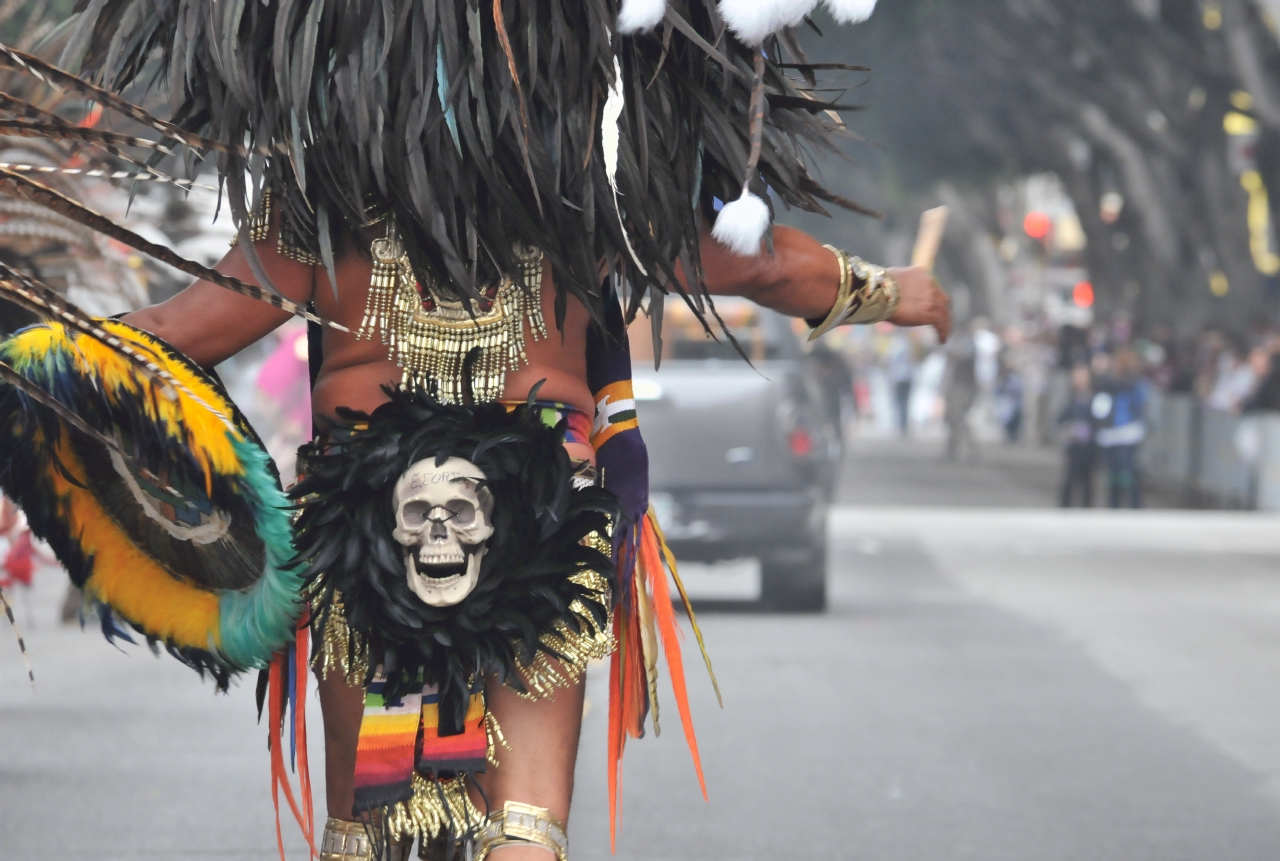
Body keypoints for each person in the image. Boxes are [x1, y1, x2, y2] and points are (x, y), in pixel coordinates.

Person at [0, 4, 950, 860]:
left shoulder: (318, 206)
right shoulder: (594, 181)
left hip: (366, 532)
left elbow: (169, 338)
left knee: (372, 832)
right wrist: (893, 293)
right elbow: (761, 266)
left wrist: (30, 364)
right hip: (534, 514)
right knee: (525, 830)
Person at [1094, 349, 1149, 509]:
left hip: (1128, 432)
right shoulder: (1108, 383)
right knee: (1112, 471)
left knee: (1127, 471)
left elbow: (1140, 402)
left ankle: (1134, 504)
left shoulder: (1133, 383)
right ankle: (1114, 505)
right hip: (1111, 433)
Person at [1057, 366, 1096, 507]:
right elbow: (1061, 418)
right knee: (1070, 478)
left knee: (1087, 480)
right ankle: (1064, 508)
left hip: (1090, 445)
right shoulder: (1071, 398)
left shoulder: (1094, 397)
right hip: (1074, 444)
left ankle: (1086, 509)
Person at [943, 323, 979, 462]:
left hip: (963, 385)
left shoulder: (968, 343)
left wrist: (951, 355)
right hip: (954, 384)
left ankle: (971, 450)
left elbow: (963, 359)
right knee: (951, 418)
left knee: (959, 418)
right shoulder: (955, 341)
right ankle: (951, 450)